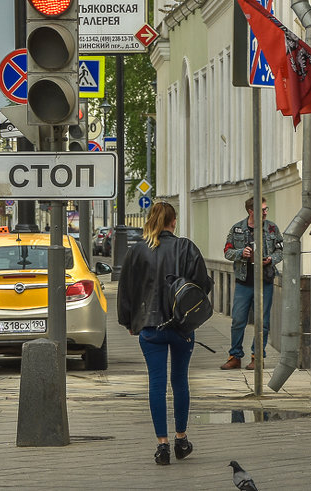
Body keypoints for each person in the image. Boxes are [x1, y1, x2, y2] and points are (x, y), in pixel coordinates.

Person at [117, 201, 212, 466]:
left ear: (150, 220)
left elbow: (126, 290)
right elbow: (202, 285)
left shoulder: (137, 252)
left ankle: (162, 445)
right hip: (182, 327)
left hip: (149, 327)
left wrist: (129, 321)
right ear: (173, 222)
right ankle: (181, 438)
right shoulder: (186, 248)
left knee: (156, 385)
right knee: (180, 381)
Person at [221, 197, 284, 370]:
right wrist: (242, 253)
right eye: (262, 209)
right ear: (251, 211)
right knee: (238, 320)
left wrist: (271, 259)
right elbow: (227, 252)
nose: (265, 212)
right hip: (244, 281)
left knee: (262, 322)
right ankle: (235, 356)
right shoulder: (237, 229)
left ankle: (258, 357)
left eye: (266, 209)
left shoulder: (271, 228)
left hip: (265, 281)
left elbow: (280, 250)